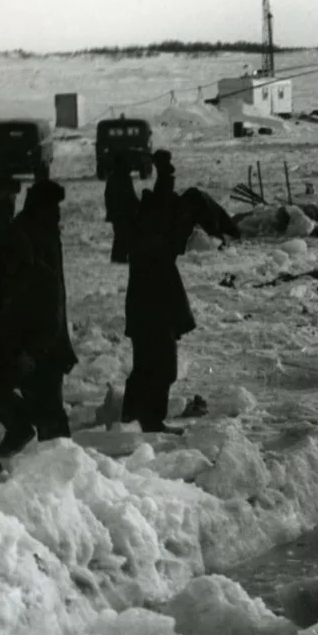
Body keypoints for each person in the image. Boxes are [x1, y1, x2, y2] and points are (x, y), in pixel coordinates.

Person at [0, 179, 78, 475]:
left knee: (50, 412)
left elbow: (50, 304)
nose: (57, 214)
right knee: (41, 407)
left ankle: (65, 480)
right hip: (24, 340)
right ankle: (24, 441)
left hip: (38, 341)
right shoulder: (23, 238)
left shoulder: (35, 235)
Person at [122, 149, 196, 434]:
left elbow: (163, 198)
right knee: (162, 366)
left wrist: (165, 172)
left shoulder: (147, 229)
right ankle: (148, 419)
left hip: (148, 310)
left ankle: (132, 415)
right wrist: (165, 172)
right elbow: (164, 198)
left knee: (147, 365)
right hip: (153, 311)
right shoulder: (152, 234)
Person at [105, 154, 140, 263]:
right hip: (124, 212)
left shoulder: (113, 178)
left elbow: (108, 196)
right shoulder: (124, 178)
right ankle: (120, 256)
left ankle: (118, 256)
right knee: (124, 234)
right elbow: (130, 195)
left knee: (120, 234)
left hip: (118, 212)